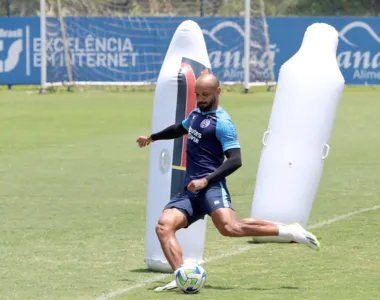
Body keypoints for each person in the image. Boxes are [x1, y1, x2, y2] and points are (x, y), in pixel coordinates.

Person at [136, 74, 320, 291]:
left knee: (230, 228)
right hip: (191, 191)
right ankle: (181, 276)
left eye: (205, 95)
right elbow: (180, 128)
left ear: (218, 92)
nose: (201, 99)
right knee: (163, 227)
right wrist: (153, 137)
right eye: (197, 95)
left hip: (211, 187)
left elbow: (235, 160)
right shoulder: (196, 114)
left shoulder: (222, 123)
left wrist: (206, 180)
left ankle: (290, 231)